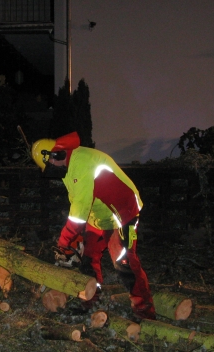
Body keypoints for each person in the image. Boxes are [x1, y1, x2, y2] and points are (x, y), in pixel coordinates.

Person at [31, 131, 156, 320]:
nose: (51, 169)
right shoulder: (68, 168)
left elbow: (78, 211)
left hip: (123, 213)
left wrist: (64, 241)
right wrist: (73, 238)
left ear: (55, 154)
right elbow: (80, 204)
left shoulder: (81, 163)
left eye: (50, 164)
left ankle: (144, 312)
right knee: (88, 260)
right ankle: (91, 302)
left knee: (125, 263)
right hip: (99, 215)